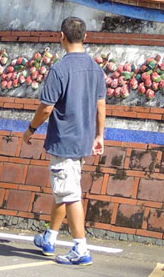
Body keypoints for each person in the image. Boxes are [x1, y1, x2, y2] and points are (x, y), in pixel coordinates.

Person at [23, 16, 106, 266]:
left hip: (64, 140)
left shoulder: (59, 69)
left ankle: (81, 248)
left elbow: (46, 108)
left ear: (61, 36)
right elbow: (101, 106)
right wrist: (99, 135)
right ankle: (50, 237)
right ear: (85, 37)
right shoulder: (96, 69)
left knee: (69, 194)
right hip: (83, 141)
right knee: (64, 189)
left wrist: (30, 129)